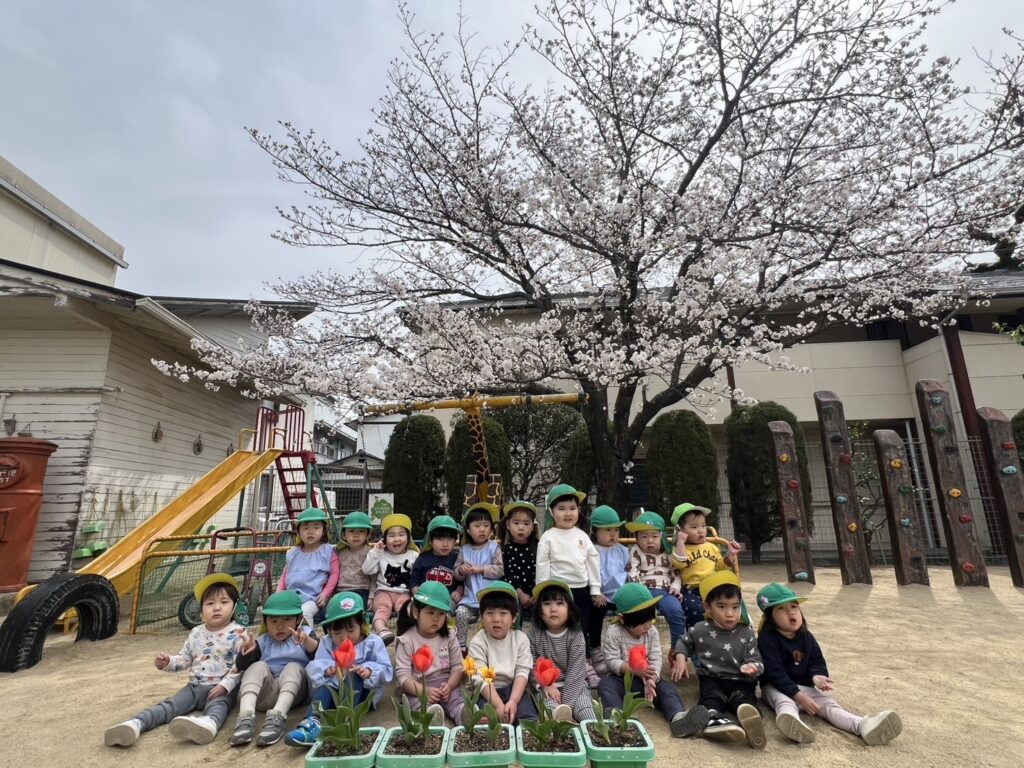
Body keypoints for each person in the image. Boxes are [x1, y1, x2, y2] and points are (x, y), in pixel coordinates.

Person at [104, 573, 246, 747]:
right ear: (201, 610)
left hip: (221, 688)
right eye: (210, 603)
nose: (217, 608)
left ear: (234, 606)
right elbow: (185, 659)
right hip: (194, 687)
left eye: (224, 602)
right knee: (170, 705)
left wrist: (224, 686)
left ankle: (209, 724)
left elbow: (240, 665)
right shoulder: (196, 633)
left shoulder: (239, 633)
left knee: (219, 706)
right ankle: (136, 723)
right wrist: (168, 662)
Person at [756, 582, 903, 746]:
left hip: (804, 688)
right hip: (776, 687)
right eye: (781, 609)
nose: (790, 612)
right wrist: (799, 696)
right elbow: (775, 673)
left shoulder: (806, 637)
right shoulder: (767, 639)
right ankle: (791, 723)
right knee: (784, 702)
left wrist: (817, 676)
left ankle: (862, 725)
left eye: (793, 606)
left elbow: (816, 661)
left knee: (828, 705)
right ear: (769, 617)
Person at [597, 582, 709, 739]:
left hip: (647, 680)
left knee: (667, 690)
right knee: (605, 686)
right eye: (642, 622)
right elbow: (611, 660)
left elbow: (656, 657)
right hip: (621, 679)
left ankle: (678, 717)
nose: (648, 626)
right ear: (622, 619)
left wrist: (652, 678)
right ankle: (617, 719)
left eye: (651, 619)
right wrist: (633, 670)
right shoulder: (614, 632)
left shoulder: (652, 632)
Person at [285, 592, 393, 748]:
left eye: (350, 630)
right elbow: (316, 665)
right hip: (334, 695)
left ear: (362, 623)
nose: (344, 637)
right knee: (324, 687)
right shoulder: (327, 643)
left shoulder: (373, 642)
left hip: (362, 696)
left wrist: (369, 671)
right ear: (329, 630)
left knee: (353, 676)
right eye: (337, 632)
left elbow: (386, 670)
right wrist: (327, 670)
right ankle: (311, 723)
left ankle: (345, 723)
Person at [671, 571, 766, 749]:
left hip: (741, 680)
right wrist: (680, 658)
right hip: (712, 678)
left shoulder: (746, 631)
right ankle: (715, 720)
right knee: (710, 699)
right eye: (722, 607)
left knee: (744, 700)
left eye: (735, 607)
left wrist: (752, 667)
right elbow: (683, 642)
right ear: (707, 606)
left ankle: (749, 719)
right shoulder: (700, 629)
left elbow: (756, 659)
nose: (730, 614)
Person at [229, 590, 318, 747]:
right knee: (257, 666)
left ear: (298, 619)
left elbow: (318, 653)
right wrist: (247, 652)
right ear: (265, 622)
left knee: (293, 667)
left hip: (295, 694)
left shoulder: (304, 635)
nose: (280, 626)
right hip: (265, 696)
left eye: (287, 619)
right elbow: (241, 666)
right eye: (273, 620)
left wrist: (306, 641)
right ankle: (245, 716)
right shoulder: (264, 641)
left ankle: (278, 716)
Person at [535, 484, 601, 655]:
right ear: (551, 512)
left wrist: (595, 589)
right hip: (558, 591)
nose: (568, 513)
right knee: (558, 626)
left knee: (581, 625)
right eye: (561, 509)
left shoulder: (582, 535)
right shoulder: (548, 537)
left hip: (581, 590)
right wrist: (541, 591)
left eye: (572, 508)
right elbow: (542, 565)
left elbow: (592, 561)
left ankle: (583, 659)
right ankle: (556, 658)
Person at [466, 580, 537, 724]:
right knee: (482, 720)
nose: (496, 619)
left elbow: (522, 671)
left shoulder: (520, 639)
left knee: (529, 720)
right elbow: (479, 677)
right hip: (487, 691)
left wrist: (513, 701)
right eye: (490, 613)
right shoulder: (477, 641)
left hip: (514, 689)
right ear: (481, 616)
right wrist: (498, 705)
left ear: (514, 617)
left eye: (503, 613)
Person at [394, 581, 466, 726]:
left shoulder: (449, 636)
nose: (436, 618)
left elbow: (458, 666)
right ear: (416, 612)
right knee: (416, 703)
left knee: (456, 699)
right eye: (431, 612)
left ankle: (464, 715)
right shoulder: (406, 640)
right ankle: (430, 719)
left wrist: (450, 685)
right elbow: (403, 677)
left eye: (441, 613)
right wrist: (423, 691)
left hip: (445, 683)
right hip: (418, 685)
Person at [526, 580, 597, 723]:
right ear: (538, 610)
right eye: (547, 604)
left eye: (559, 603)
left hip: (575, 685)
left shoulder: (575, 634)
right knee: (551, 711)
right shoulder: (534, 633)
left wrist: (567, 706)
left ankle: (592, 729)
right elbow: (530, 665)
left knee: (584, 710)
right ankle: (561, 722)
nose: (553, 609)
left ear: (569, 609)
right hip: (547, 687)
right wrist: (545, 685)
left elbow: (576, 672)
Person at [668, 503, 741, 630]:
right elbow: (679, 563)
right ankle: (697, 636)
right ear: (680, 530)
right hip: (692, 590)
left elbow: (720, 568)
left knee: (728, 605)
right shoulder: (680, 549)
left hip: (714, 587)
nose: (701, 530)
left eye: (703, 525)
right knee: (694, 610)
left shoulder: (711, 546)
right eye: (694, 527)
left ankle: (726, 634)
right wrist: (680, 542)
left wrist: (730, 555)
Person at [624, 511, 686, 650]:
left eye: (654, 536)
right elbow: (632, 572)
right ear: (636, 538)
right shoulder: (636, 551)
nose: (650, 541)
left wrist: (675, 588)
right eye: (644, 536)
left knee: (676, 612)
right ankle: (637, 650)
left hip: (666, 591)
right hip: (644, 591)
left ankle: (677, 650)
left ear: (661, 536)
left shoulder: (669, 552)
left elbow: (676, 574)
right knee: (639, 616)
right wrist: (640, 592)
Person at [361, 512, 419, 645]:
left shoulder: (413, 555)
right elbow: (367, 570)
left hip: (404, 592)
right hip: (383, 591)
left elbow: (418, 576)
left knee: (406, 609)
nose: (397, 539)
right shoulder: (380, 554)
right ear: (384, 539)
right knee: (382, 609)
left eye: (401, 534)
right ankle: (381, 631)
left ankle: (406, 634)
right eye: (391, 535)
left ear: (409, 537)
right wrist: (375, 552)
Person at [277, 507, 339, 628]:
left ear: (323, 531)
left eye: (316, 528)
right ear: (298, 531)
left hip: (314, 598)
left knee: (305, 612)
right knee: (276, 612)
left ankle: (308, 636)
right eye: (305, 528)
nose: (311, 532)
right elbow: (285, 574)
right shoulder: (292, 553)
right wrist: (278, 593)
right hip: (291, 596)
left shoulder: (328, 551)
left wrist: (326, 594)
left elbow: (334, 574)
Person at [453, 502, 504, 651]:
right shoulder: (464, 550)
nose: (482, 529)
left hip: (489, 599)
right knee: (460, 612)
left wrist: (480, 569)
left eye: (486, 525)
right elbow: (456, 574)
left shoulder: (494, 548)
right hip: (469, 599)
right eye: (477, 526)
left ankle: (486, 647)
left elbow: (500, 570)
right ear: (468, 530)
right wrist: (461, 570)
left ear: (491, 529)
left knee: (487, 620)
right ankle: (461, 646)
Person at [589, 504, 629, 674]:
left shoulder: (623, 550)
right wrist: (596, 593)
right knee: (597, 612)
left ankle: (627, 648)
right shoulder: (591, 551)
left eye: (616, 530)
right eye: (607, 530)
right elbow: (589, 574)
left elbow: (628, 573)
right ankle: (595, 648)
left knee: (632, 613)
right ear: (595, 531)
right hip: (601, 595)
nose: (613, 534)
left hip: (620, 595)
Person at [499, 500, 539, 622]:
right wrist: (520, 594)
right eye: (516, 523)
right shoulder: (506, 550)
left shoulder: (539, 547)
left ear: (532, 526)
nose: (521, 527)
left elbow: (542, 570)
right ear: (508, 524)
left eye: (526, 523)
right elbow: (507, 574)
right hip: (515, 594)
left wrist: (536, 593)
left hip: (536, 595)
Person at [336, 511, 374, 606]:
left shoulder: (371, 552)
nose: (356, 535)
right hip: (341, 590)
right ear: (343, 534)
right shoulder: (339, 552)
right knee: (328, 611)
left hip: (362, 590)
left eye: (361, 531)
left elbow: (374, 577)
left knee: (355, 610)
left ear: (368, 534)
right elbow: (334, 574)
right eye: (351, 531)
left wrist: (372, 596)